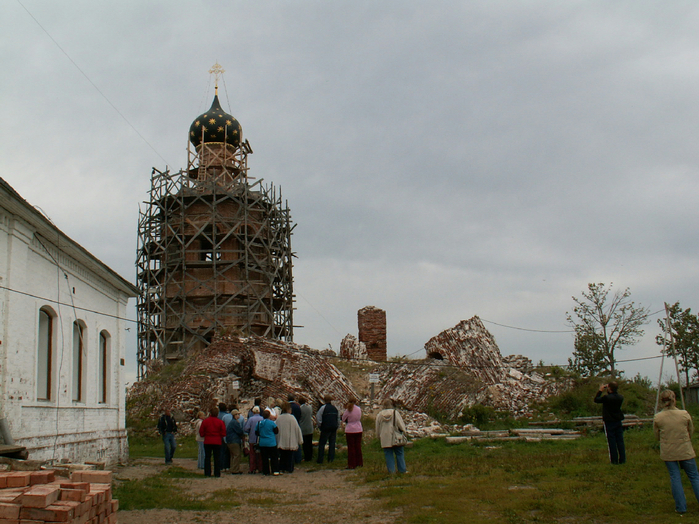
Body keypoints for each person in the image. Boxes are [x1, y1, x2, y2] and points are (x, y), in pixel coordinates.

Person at [654, 389, 699, 514]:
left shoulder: (658, 417)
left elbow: (657, 436)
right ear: (674, 399)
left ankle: (681, 507)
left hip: (668, 451)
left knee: (675, 477)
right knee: (694, 477)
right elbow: (691, 430)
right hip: (685, 449)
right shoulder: (684, 414)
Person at [594, 381, 626, 464]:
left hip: (609, 421)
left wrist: (600, 390)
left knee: (611, 441)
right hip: (618, 420)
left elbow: (596, 400)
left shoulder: (607, 398)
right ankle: (622, 459)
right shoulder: (620, 397)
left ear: (609, 388)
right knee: (620, 441)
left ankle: (614, 460)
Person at [375, 399, 407, 474]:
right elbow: (400, 424)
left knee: (388, 454)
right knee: (399, 453)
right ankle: (402, 470)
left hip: (385, 437)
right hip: (396, 437)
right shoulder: (395, 413)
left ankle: (391, 471)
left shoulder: (379, 415)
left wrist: (378, 436)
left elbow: (377, 428)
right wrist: (404, 432)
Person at [199, 406, 226, 477]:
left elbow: (201, 432)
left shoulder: (205, 421)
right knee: (217, 457)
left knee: (207, 457)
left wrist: (206, 434)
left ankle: (207, 472)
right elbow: (223, 433)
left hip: (207, 441)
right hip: (217, 441)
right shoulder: (220, 422)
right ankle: (217, 473)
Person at [276, 402, 303, 473]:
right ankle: (289, 468)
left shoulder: (279, 418)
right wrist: (300, 440)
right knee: (290, 456)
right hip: (290, 439)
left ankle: (282, 467)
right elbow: (297, 429)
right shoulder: (292, 418)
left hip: (282, 439)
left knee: (282, 455)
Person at [316, 395, 340, 464]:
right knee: (332, 444)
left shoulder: (323, 408)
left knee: (322, 444)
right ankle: (331, 459)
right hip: (333, 428)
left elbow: (318, 417)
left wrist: (320, 425)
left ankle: (320, 459)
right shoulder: (335, 408)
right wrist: (337, 426)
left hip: (325, 428)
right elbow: (338, 418)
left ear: (324, 400)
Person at [342, 397, 363, 469]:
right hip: (358, 428)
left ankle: (351, 464)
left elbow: (343, 419)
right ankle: (359, 462)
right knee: (358, 446)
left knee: (351, 447)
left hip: (350, 429)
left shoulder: (348, 410)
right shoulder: (358, 409)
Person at [257, 410, 280, 476]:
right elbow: (276, 431)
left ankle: (266, 471)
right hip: (271, 442)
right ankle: (275, 470)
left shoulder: (259, 423)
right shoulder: (272, 423)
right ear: (269, 416)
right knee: (274, 457)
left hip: (262, 443)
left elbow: (256, 432)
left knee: (264, 458)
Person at [244, 406, 263, 474]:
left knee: (252, 454)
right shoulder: (262, 418)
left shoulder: (251, 419)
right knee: (260, 455)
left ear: (253, 412)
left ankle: (252, 468)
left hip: (252, 438)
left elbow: (246, 428)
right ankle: (260, 468)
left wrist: (250, 431)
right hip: (260, 439)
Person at [226, 409, 245, 474]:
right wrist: (243, 435)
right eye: (236, 414)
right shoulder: (235, 422)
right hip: (234, 440)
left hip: (229, 440)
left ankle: (233, 468)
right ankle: (235, 470)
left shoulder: (232, 422)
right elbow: (239, 431)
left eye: (238, 414)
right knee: (237, 455)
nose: (238, 416)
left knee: (233, 455)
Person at [298, 397, 314, 462]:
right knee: (310, 443)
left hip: (303, 428)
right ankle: (310, 456)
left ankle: (306, 457)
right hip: (310, 427)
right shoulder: (310, 407)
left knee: (305, 444)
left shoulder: (300, 409)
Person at [218, 403, 232, 471]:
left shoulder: (217, 415)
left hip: (218, 435)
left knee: (220, 451)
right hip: (226, 434)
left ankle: (220, 465)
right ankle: (226, 465)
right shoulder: (226, 416)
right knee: (226, 451)